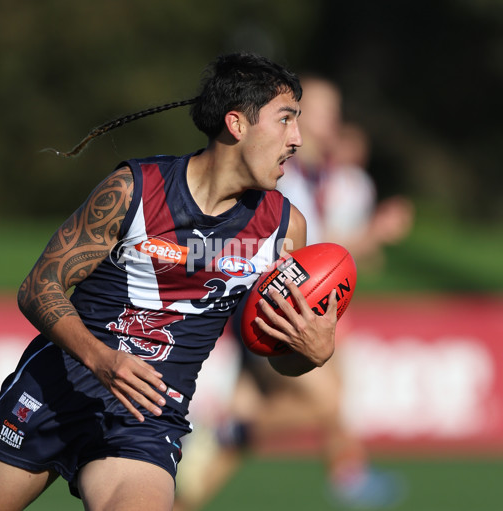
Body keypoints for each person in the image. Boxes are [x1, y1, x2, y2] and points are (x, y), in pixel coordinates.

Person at [0, 52, 339, 511]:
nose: (297, 139)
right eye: (286, 120)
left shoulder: (284, 229)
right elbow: (38, 287)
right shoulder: (133, 190)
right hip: (52, 392)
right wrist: (101, 360)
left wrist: (311, 354)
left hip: (146, 419)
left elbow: (278, 356)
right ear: (236, 124)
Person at [174, 77, 412, 511]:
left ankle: (189, 491)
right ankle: (333, 469)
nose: (326, 123)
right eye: (313, 112)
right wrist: (372, 232)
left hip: (291, 307)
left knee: (231, 449)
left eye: (331, 112)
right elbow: (309, 253)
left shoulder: (327, 177)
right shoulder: (278, 174)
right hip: (266, 308)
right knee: (327, 401)